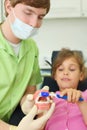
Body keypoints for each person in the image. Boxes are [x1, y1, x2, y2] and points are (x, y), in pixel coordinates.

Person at [0, 0, 52, 130]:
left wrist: (29, 103)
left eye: (40, 17)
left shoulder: (31, 47)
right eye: (28, 12)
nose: (34, 23)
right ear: (8, 6)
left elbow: (29, 91)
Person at [44, 48, 87, 130]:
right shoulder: (49, 98)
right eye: (60, 69)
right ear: (55, 76)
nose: (65, 73)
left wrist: (81, 102)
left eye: (72, 69)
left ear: (81, 75)